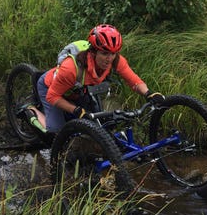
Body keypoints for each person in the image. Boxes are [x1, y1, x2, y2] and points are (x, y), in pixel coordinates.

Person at [27, 24, 164, 133]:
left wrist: (149, 93)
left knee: (100, 123)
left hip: (76, 91)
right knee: (56, 130)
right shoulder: (71, 69)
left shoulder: (116, 61)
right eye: (104, 53)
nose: (109, 59)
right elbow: (53, 96)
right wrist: (75, 110)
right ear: (92, 52)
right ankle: (31, 110)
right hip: (50, 88)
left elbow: (133, 81)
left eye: (113, 53)